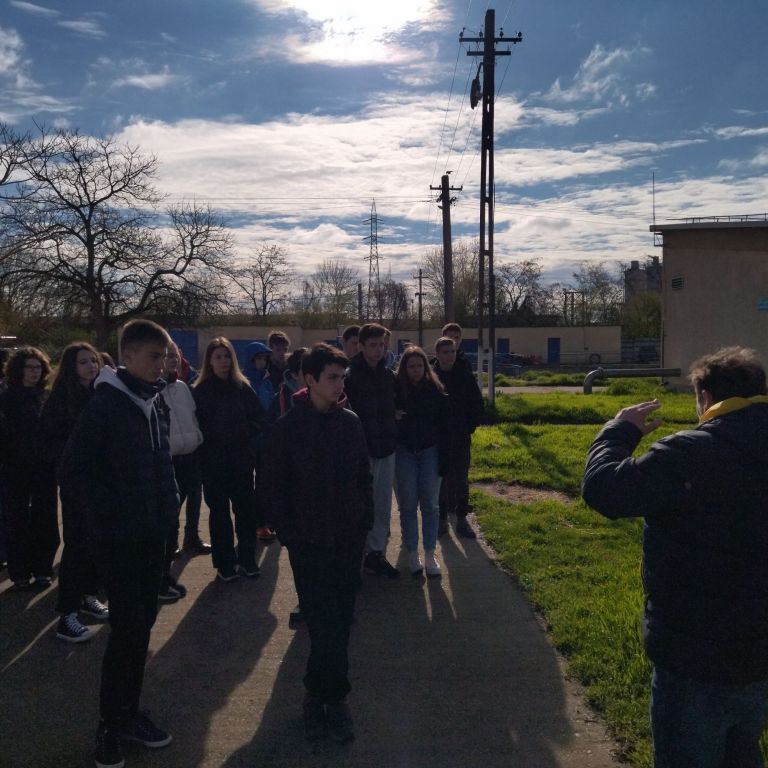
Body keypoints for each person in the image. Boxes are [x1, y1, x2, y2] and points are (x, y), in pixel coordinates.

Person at [581, 346, 768, 768]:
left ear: (705, 398)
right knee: (743, 750)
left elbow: (604, 490)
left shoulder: (689, 453)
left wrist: (617, 432)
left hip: (694, 652)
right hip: (758, 650)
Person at [59, 319, 178, 768]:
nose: (162, 364)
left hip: (153, 538)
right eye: (154, 356)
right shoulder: (105, 406)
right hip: (120, 542)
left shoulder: (155, 400)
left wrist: (167, 514)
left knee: (140, 629)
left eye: (165, 356)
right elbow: (72, 473)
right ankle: (110, 724)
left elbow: (162, 466)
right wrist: (114, 514)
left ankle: (129, 713)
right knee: (127, 631)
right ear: (128, 356)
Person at [264, 343, 372, 744]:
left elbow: (363, 477)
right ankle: (329, 699)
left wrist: (363, 522)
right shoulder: (287, 429)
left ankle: (323, 695)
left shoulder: (351, 424)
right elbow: (271, 489)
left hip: (347, 542)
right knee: (324, 623)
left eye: (343, 377)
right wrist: (290, 535)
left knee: (340, 622)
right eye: (332, 377)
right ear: (309, 379)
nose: (340, 384)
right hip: (309, 546)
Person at [41, 342, 109, 642]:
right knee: (77, 545)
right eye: (84, 362)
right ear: (71, 366)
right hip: (77, 484)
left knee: (96, 542)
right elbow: (51, 444)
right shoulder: (59, 402)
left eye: (93, 360)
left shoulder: (100, 395)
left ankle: (88, 596)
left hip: (101, 483)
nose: (91, 366)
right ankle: (66, 613)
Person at [193, 337, 265, 581]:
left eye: (227, 356)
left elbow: (259, 416)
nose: (224, 361)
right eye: (218, 357)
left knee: (245, 513)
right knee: (219, 515)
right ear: (210, 361)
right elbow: (196, 427)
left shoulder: (242, 387)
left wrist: (244, 431)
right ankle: (225, 564)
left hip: (241, 461)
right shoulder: (201, 391)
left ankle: (247, 560)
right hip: (213, 464)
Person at [0, 346, 59, 590]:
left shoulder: (46, 397)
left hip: (44, 467)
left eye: (38, 367)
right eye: (29, 367)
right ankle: (20, 572)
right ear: (18, 369)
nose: (35, 372)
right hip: (14, 467)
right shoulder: (6, 399)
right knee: (16, 520)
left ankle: (43, 568)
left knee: (46, 518)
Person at [344, 323, 399, 579]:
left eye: (382, 345)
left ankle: (376, 554)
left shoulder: (389, 376)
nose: (379, 350)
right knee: (360, 505)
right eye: (373, 345)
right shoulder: (349, 375)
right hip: (361, 451)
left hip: (386, 448)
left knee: (382, 504)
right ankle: (357, 556)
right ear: (361, 346)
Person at [394, 346, 451, 577]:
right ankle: (412, 552)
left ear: (426, 367)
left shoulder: (436, 391)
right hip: (405, 451)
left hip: (430, 451)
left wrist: (445, 459)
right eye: (411, 366)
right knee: (408, 504)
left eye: (419, 366)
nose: (416, 370)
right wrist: (393, 416)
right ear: (404, 368)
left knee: (430, 504)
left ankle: (429, 553)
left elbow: (445, 426)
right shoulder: (396, 390)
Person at [158, 343, 207, 603]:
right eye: (168, 356)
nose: (173, 360)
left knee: (194, 498)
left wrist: (196, 437)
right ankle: (168, 558)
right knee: (170, 512)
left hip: (191, 455)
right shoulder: (154, 391)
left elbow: (192, 416)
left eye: (175, 356)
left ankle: (192, 538)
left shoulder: (184, 388)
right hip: (169, 459)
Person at [432, 337, 484, 538]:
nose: (450, 356)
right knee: (441, 480)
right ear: (437, 354)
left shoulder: (464, 375)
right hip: (439, 439)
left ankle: (462, 519)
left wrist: (469, 426)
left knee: (461, 478)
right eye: (445, 352)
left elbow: (476, 403)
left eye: (452, 352)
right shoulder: (431, 377)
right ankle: (441, 519)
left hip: (461, 436)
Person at [242, 340, 276, 544]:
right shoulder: (244, 383)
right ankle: (250, 523)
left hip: (266, 440)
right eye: (259, 358)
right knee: (247, 485)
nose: (262, 362)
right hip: (249, 441)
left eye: (264, 358)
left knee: (264, 483)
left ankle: (263, 523)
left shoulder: (267, 381)